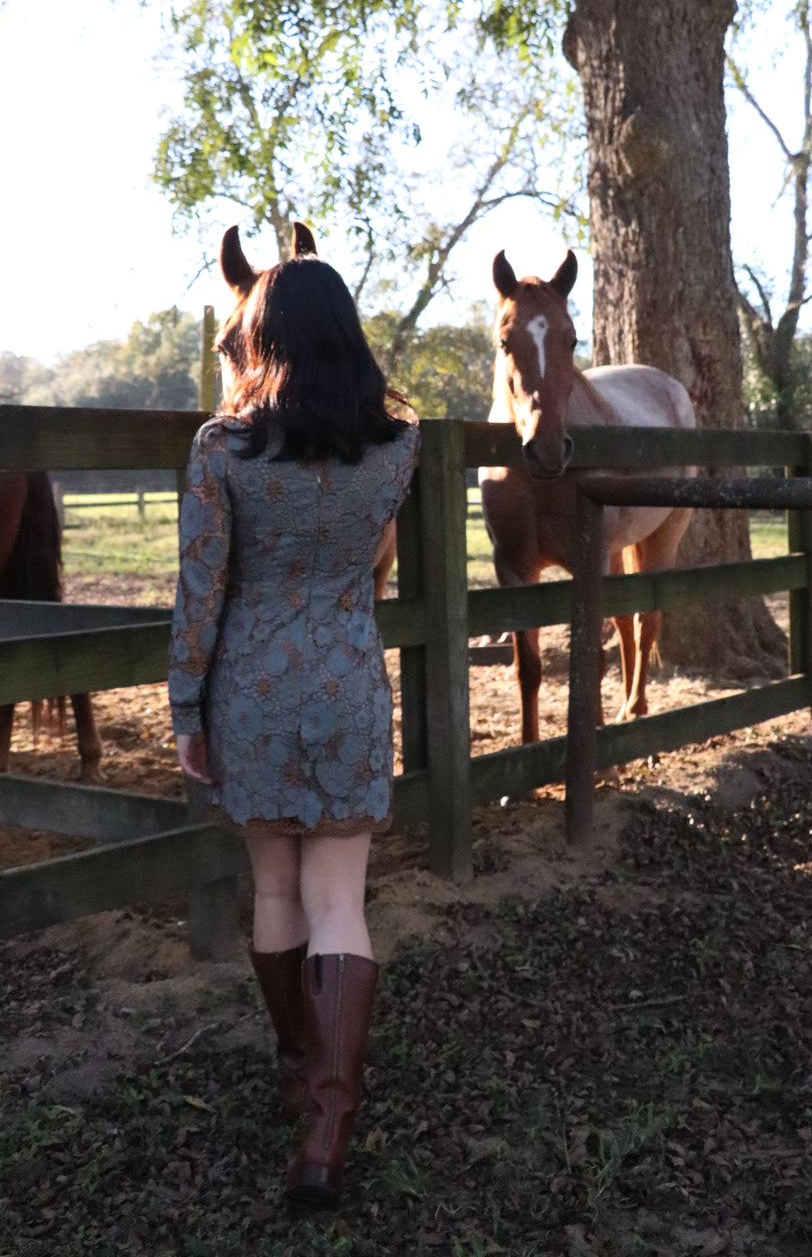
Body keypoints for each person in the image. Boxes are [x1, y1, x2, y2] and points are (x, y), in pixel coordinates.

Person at [167, 250, 418, 1209]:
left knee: (273, 890)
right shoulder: (399, 448)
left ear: (261, 339)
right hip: (349, 684)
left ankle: (296, 1070)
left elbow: (200, 595)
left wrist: (186, 709)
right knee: (339, 901)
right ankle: (329, 1126)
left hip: (252, 692)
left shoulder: (220, 451)